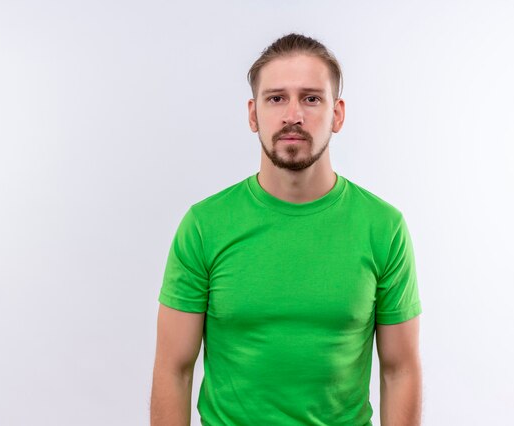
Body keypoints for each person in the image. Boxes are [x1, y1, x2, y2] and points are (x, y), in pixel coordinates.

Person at [150, 33, 422, 426]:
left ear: (338, 113)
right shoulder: (204, 226)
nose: (292, 114)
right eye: (276, 98)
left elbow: (400, 371)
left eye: (311, 98)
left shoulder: (384, 228)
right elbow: (173, 370)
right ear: (253, 114)